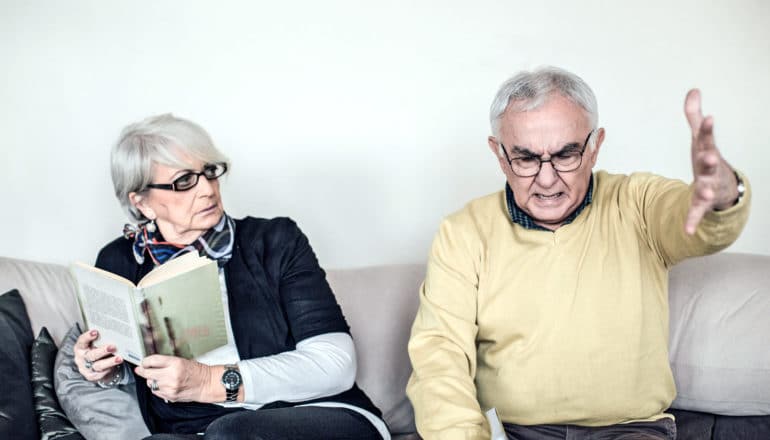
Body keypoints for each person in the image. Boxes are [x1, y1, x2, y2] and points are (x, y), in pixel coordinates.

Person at [406, 66, 751, 440]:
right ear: (500, 155)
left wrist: (720, 194)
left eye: (566, 154)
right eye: (525, 159)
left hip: (629, 431)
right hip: (512, 432)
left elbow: (697, 223)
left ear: (595, 146)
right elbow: (439, 357)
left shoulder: (636, 203)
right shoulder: (463, 232)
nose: (547, 178)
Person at [73, 114, 390, 439]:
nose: (208, 190)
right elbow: (133, 364)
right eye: (184, 182)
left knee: (230, 433)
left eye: (209, 172)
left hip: (318, 415)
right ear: (142, 203)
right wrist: (104, 369)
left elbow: (336, 365)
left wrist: (209, 381)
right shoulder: (118, 260)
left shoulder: (275, 241)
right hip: (190, 430)